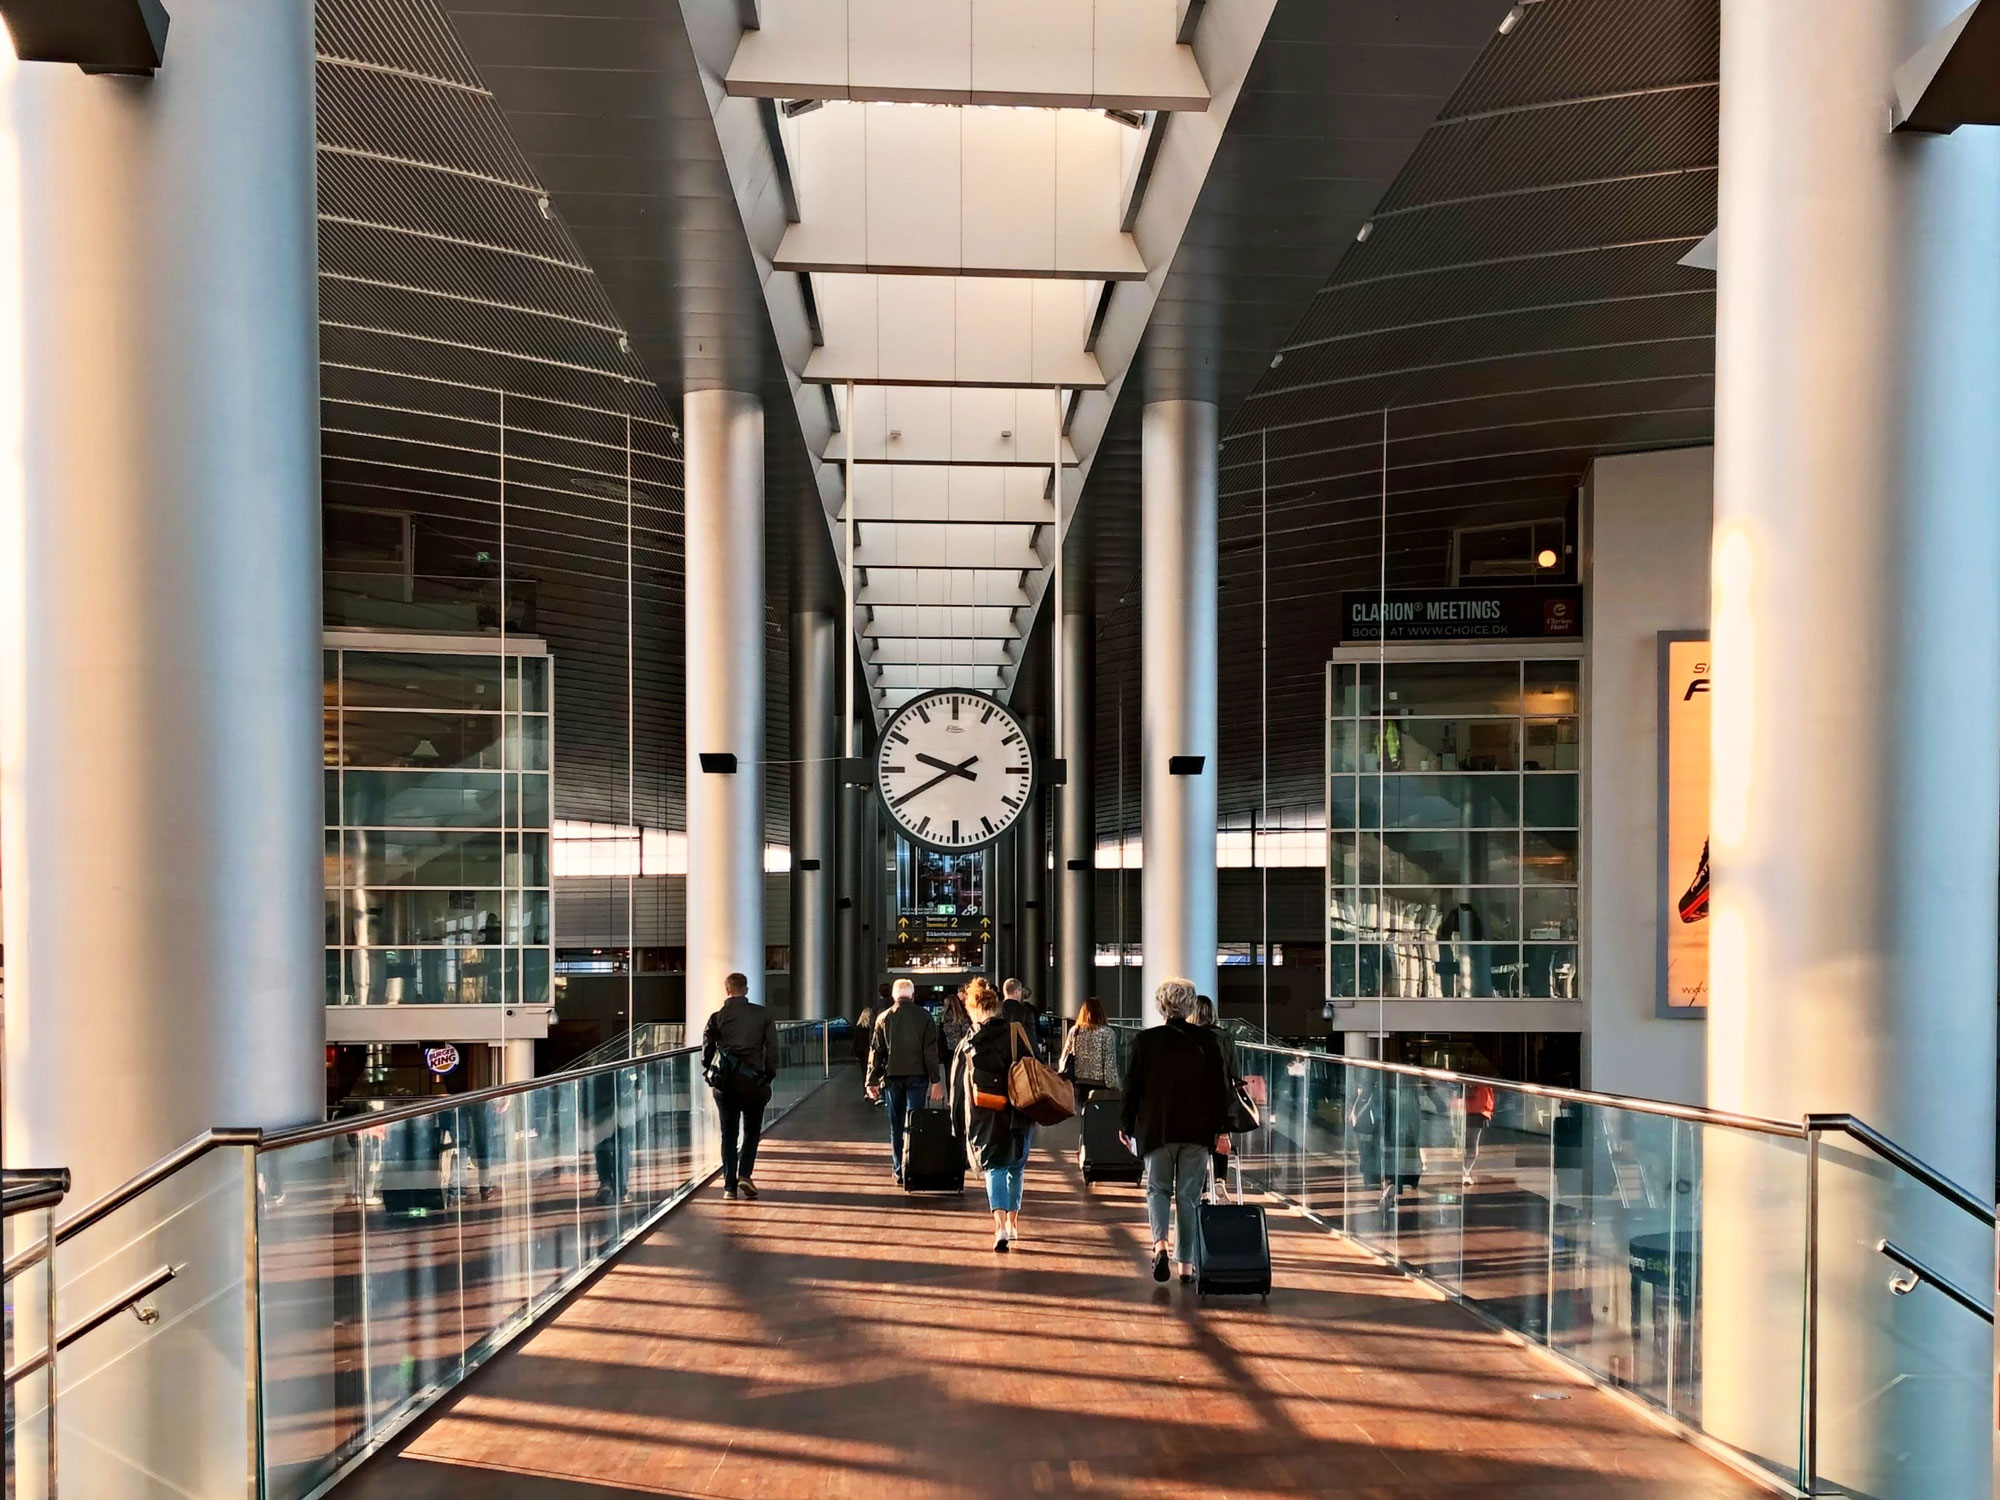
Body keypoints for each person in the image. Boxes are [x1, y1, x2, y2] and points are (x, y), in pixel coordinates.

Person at [1120, 978, 1231, 1283]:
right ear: (1191, 1005)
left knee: (1157, 1189)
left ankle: (1160, 1245)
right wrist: (1222, 1131)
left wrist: (1126, 1125)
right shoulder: (1207, 1042)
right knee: (1188, 1195)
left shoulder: (1146, 1042)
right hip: (1197, 1130)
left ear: (1161, 1006)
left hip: (1156, 1128)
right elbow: (1218, 1091)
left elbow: (1131, 1088)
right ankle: (1186, 1265)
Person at [949, 976, 1030, 1252]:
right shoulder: (1015, 1033)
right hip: (1018, 1110)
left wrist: (956, 1123)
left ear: (972, 1010)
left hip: (983, 1111)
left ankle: (999, 1227)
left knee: (994, 1167)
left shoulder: (968, 1043)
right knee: (1016, 1167)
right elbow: (1033, 1070)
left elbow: (957, 1087)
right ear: (996, 1007)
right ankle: (1014, 1222)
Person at [701, 972, 779, 1201]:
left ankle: (729, 1187)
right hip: (753, 1081)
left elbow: (707, 1048)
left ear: (727, 990)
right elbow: (772, 1050)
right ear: (746, 989)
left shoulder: (717, 1017)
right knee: (752, 1131)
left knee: (728, 1134)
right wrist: (768, 1075)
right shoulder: (762, 1015)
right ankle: (745, 1174)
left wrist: (708, 1071)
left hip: (725, 1084)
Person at [867, 978, 944, 1182]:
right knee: (915, 1123)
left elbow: (876, 1052)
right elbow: (930, 1052)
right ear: (912, 995)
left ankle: (899, 1169)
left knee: (896, 1125)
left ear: (894, 996)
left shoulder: (883, 1018)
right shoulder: (924, 1016)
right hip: (918, 1077)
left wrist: (871, 1081)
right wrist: (936, 1081)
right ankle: (914, 1166)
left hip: (892, 1078)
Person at [1192, 995, 1238, 1203]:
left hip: (1195, 1101)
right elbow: (1234, 1072)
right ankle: (1220, 1180)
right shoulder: (1225, 1037)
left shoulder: (1189, 1036)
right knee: (1222, 1136)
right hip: (1222, 1097)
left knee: (1198, 1144)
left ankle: (1201, 1192)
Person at [1057, 994, 1120, 1096]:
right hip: (1099, 1085)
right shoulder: (1107, 1033)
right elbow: (1109, 1062)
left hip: (1077, 1082)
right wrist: (1113, 1086)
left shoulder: (1075, 1030)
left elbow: (1064, 1056)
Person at [1462, 1081, 1497, 1186]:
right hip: (1477, 1108)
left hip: (1472, 1108)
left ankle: (1465, 1171)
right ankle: (1465, 1172)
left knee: (1468, 1142)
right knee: (1471, 1143)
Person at [938, 987, 973, 1061]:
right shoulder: (962, 1017)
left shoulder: (941, 1018)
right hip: (960, 1047)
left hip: (946, 1049)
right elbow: (966, 1032)